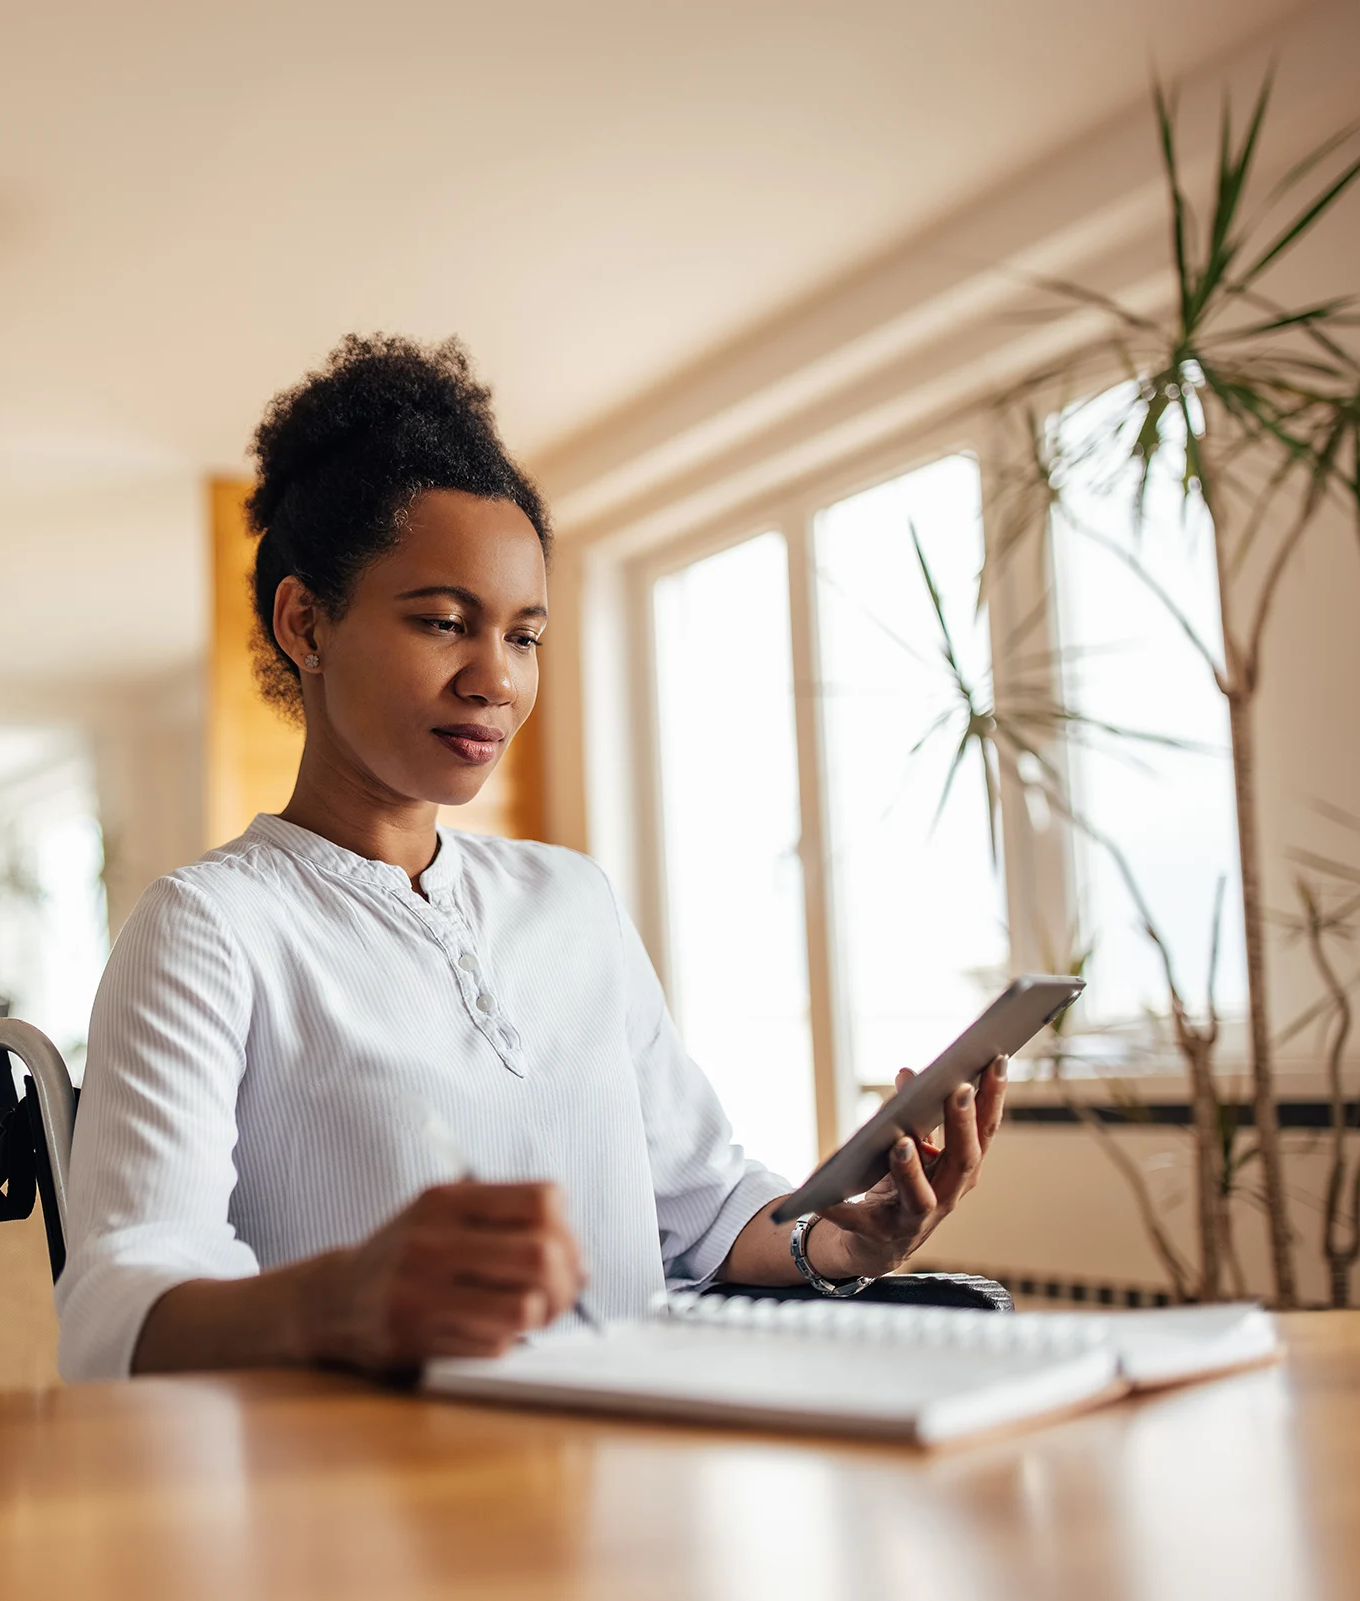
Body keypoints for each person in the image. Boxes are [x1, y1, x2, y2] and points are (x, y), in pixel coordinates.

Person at [54, 335, 1004, 1381]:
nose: (495, 679)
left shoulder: (571, 899)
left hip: (629, 1481)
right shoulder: (211, 928)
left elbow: (706, 1207)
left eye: (524, 635)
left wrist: (840, 1237)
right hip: (367, 1512)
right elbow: (116, 1311)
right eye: (444, 621)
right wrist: (347, 1295)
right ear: (305, 623)